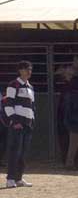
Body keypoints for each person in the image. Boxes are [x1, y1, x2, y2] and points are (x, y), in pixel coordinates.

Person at [3, 60, 36, 189]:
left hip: (28, 124)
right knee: (14, 151)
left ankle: (19, 178)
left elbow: (32, 106)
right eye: (27, 69)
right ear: (20, 70)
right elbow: (8, 103)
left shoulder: (30, 87)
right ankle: (10, 179)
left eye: (31, 69)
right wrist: (14, 121)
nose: (29, 72)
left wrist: (32, 120)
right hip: (17, 123)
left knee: (23, 152)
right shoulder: (13, 85)